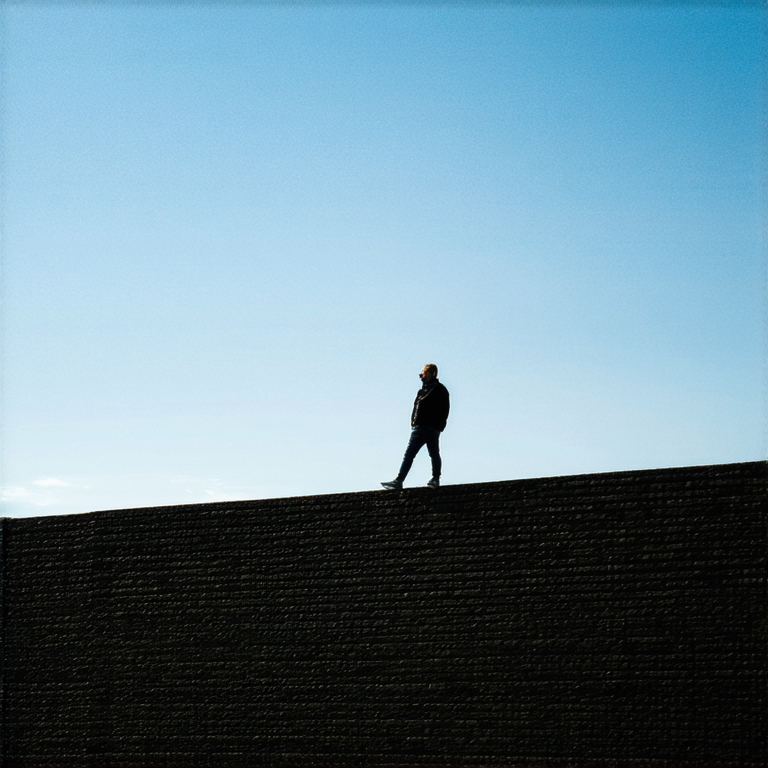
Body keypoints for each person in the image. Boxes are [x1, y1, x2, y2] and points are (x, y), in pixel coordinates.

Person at [382, 363, 450, 490]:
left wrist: (438, 427)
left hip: (429, 428)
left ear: (429, 373)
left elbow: (444, 410)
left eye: (422, 374)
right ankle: (401, 480)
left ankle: (404, 480)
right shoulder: (423, 391)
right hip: (420, 427)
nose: (421, 377)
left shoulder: (440, 390)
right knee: (419, 454)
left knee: (428, 454)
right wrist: (414, 423)